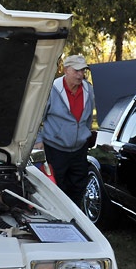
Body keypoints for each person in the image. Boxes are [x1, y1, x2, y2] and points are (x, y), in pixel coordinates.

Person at [40, 53, 95, 207]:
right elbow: (37, 118)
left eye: (83, 70)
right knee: (57, 186)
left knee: (79, 185)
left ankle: (75, 217)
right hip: (55, 147)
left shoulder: (88, 90)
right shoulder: (51, 90)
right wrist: (38, 140)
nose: (80, 74)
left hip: (79, 148)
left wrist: (86, 134)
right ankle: (58, 218)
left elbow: (89, 116)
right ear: (66, 70)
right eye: (76, 70)